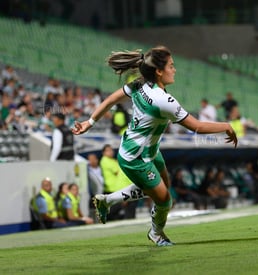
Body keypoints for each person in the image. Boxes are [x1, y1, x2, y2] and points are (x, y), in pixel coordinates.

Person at [72, 46, 237, 246]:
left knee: (162, 189)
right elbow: (197, 126)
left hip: (147, 149)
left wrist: (89, 122)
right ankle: (156, 233)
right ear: (159, 71)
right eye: (171, 66)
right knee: (165, 200)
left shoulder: (140, 84)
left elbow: (111, 100)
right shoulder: (164, 100)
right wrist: (226, 126)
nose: (174, 70)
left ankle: (107, 201)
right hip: (136, 158)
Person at [100, 144, 136, 221]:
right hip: (112, 188)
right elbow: (117, 172)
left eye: (111, 150)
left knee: (124, 207)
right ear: (103, 152)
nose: (111, 152)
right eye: (108, 150)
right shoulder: (105, 160)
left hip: (119, 187)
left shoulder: (114, 161)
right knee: (116, 207)